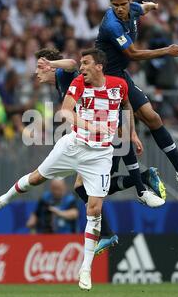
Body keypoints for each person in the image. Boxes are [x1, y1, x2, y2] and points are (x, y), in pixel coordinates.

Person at [0, 48, 151, 290]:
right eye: (81, 64)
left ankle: (86, 268)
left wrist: (132, 132)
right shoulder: (79, 82)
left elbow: (125, 106)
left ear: (99, 66)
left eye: (86, 63)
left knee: (95, 208)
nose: (81, 68)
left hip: (100, 155)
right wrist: (87, 125)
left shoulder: (119, 85)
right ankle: (3, 199)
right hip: (73, 145)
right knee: (37, 178)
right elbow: (65, 111)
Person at [35, 47, 165, 255]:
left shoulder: (64, 74)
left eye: (39, 67)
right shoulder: (63, 84)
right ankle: (140, 181)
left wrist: (53, 64)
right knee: (83, 188)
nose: (36, 72)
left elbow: (70, 64)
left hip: (103, 134)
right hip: (93, 137)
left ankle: (138, 187)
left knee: (84, 188)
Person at [95, 0, 178, 193]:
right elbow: (133, 54)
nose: (119, 9)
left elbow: (143, 7)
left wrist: (154, 5)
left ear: (129, 1)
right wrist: (166, 50)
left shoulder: (133, 9)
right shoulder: (112, 25)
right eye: (115, 5)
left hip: (121, 76)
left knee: (153, 118)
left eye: (122, 4)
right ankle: (139, 188)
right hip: (105, 81)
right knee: (123, 135)